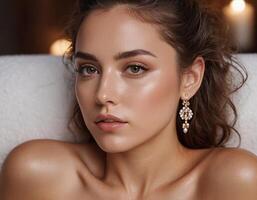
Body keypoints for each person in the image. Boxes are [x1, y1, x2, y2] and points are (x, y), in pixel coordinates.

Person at [1, 0, 257, 199]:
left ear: (190, 78)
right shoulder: (37, 174)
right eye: (89, 69)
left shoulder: (232, 180)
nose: (103, 95)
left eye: (135, 68)